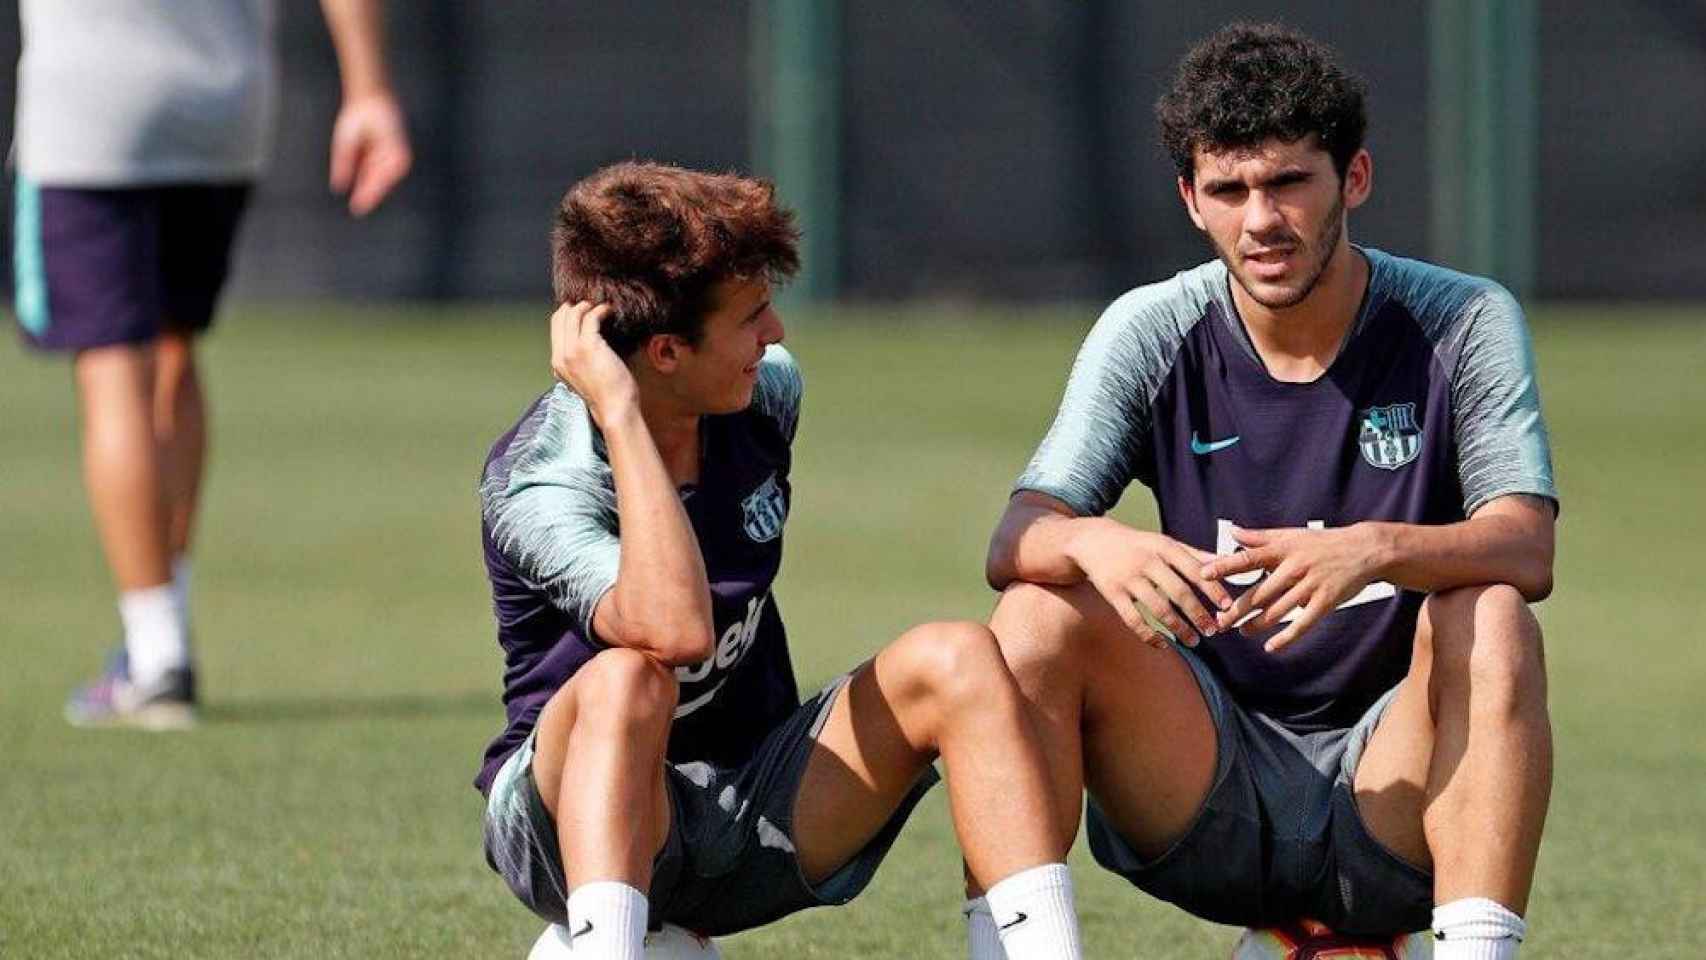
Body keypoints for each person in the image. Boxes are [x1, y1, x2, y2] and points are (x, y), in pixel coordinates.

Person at [985, 23, 1555, 960]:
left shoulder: (1463, 319)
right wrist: (1095, 540)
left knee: (1491, 614)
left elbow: (1527, 547)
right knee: (1036, 614)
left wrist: (1372, 547)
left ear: (1354, 180)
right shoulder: (1151, 328)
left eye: (1290, 181)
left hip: (1401, 791)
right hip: (1207, 786)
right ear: (1192, 199)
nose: (1261, 219)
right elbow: (1017, 536)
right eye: (1230, 189)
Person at [474, 162, 1083, 960]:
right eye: (752, 317)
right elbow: (675, 630)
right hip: (566, 836)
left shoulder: (765, 394)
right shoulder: (539, 481)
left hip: (745, 803)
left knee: (959, 657)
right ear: (662, 352)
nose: (776, 337)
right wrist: (620, 413)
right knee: (629, 678)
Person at [12, 0, 413, 727]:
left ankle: (155, 650)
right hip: (222, 110)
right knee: (173, 349)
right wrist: (368, 88)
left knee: (112, 371)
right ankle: (163, 625)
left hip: (90, 109)